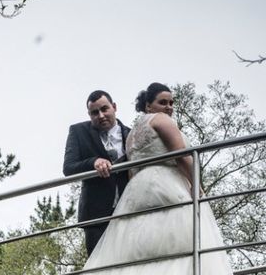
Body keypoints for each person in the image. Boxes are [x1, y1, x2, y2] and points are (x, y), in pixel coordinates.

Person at [82, 82, 233, 274]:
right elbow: (182, 155)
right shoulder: (160, 120)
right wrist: (197, 186)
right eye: (163, 102)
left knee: (143, 251)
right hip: (166, 185)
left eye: (171, 102)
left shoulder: (131, 135)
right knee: (179, 243)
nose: (168, 107)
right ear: (148, 105)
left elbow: (131, 171)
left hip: (137, 191)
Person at [63, 90, 131, 255]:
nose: (100, 115)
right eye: (94, 112)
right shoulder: (78, 131)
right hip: (95, 215)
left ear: (114, 107)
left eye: (104, 109)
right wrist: (93, 161)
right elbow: (68, 168)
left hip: (130, 209)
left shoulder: (132, 134)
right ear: (89, 114)